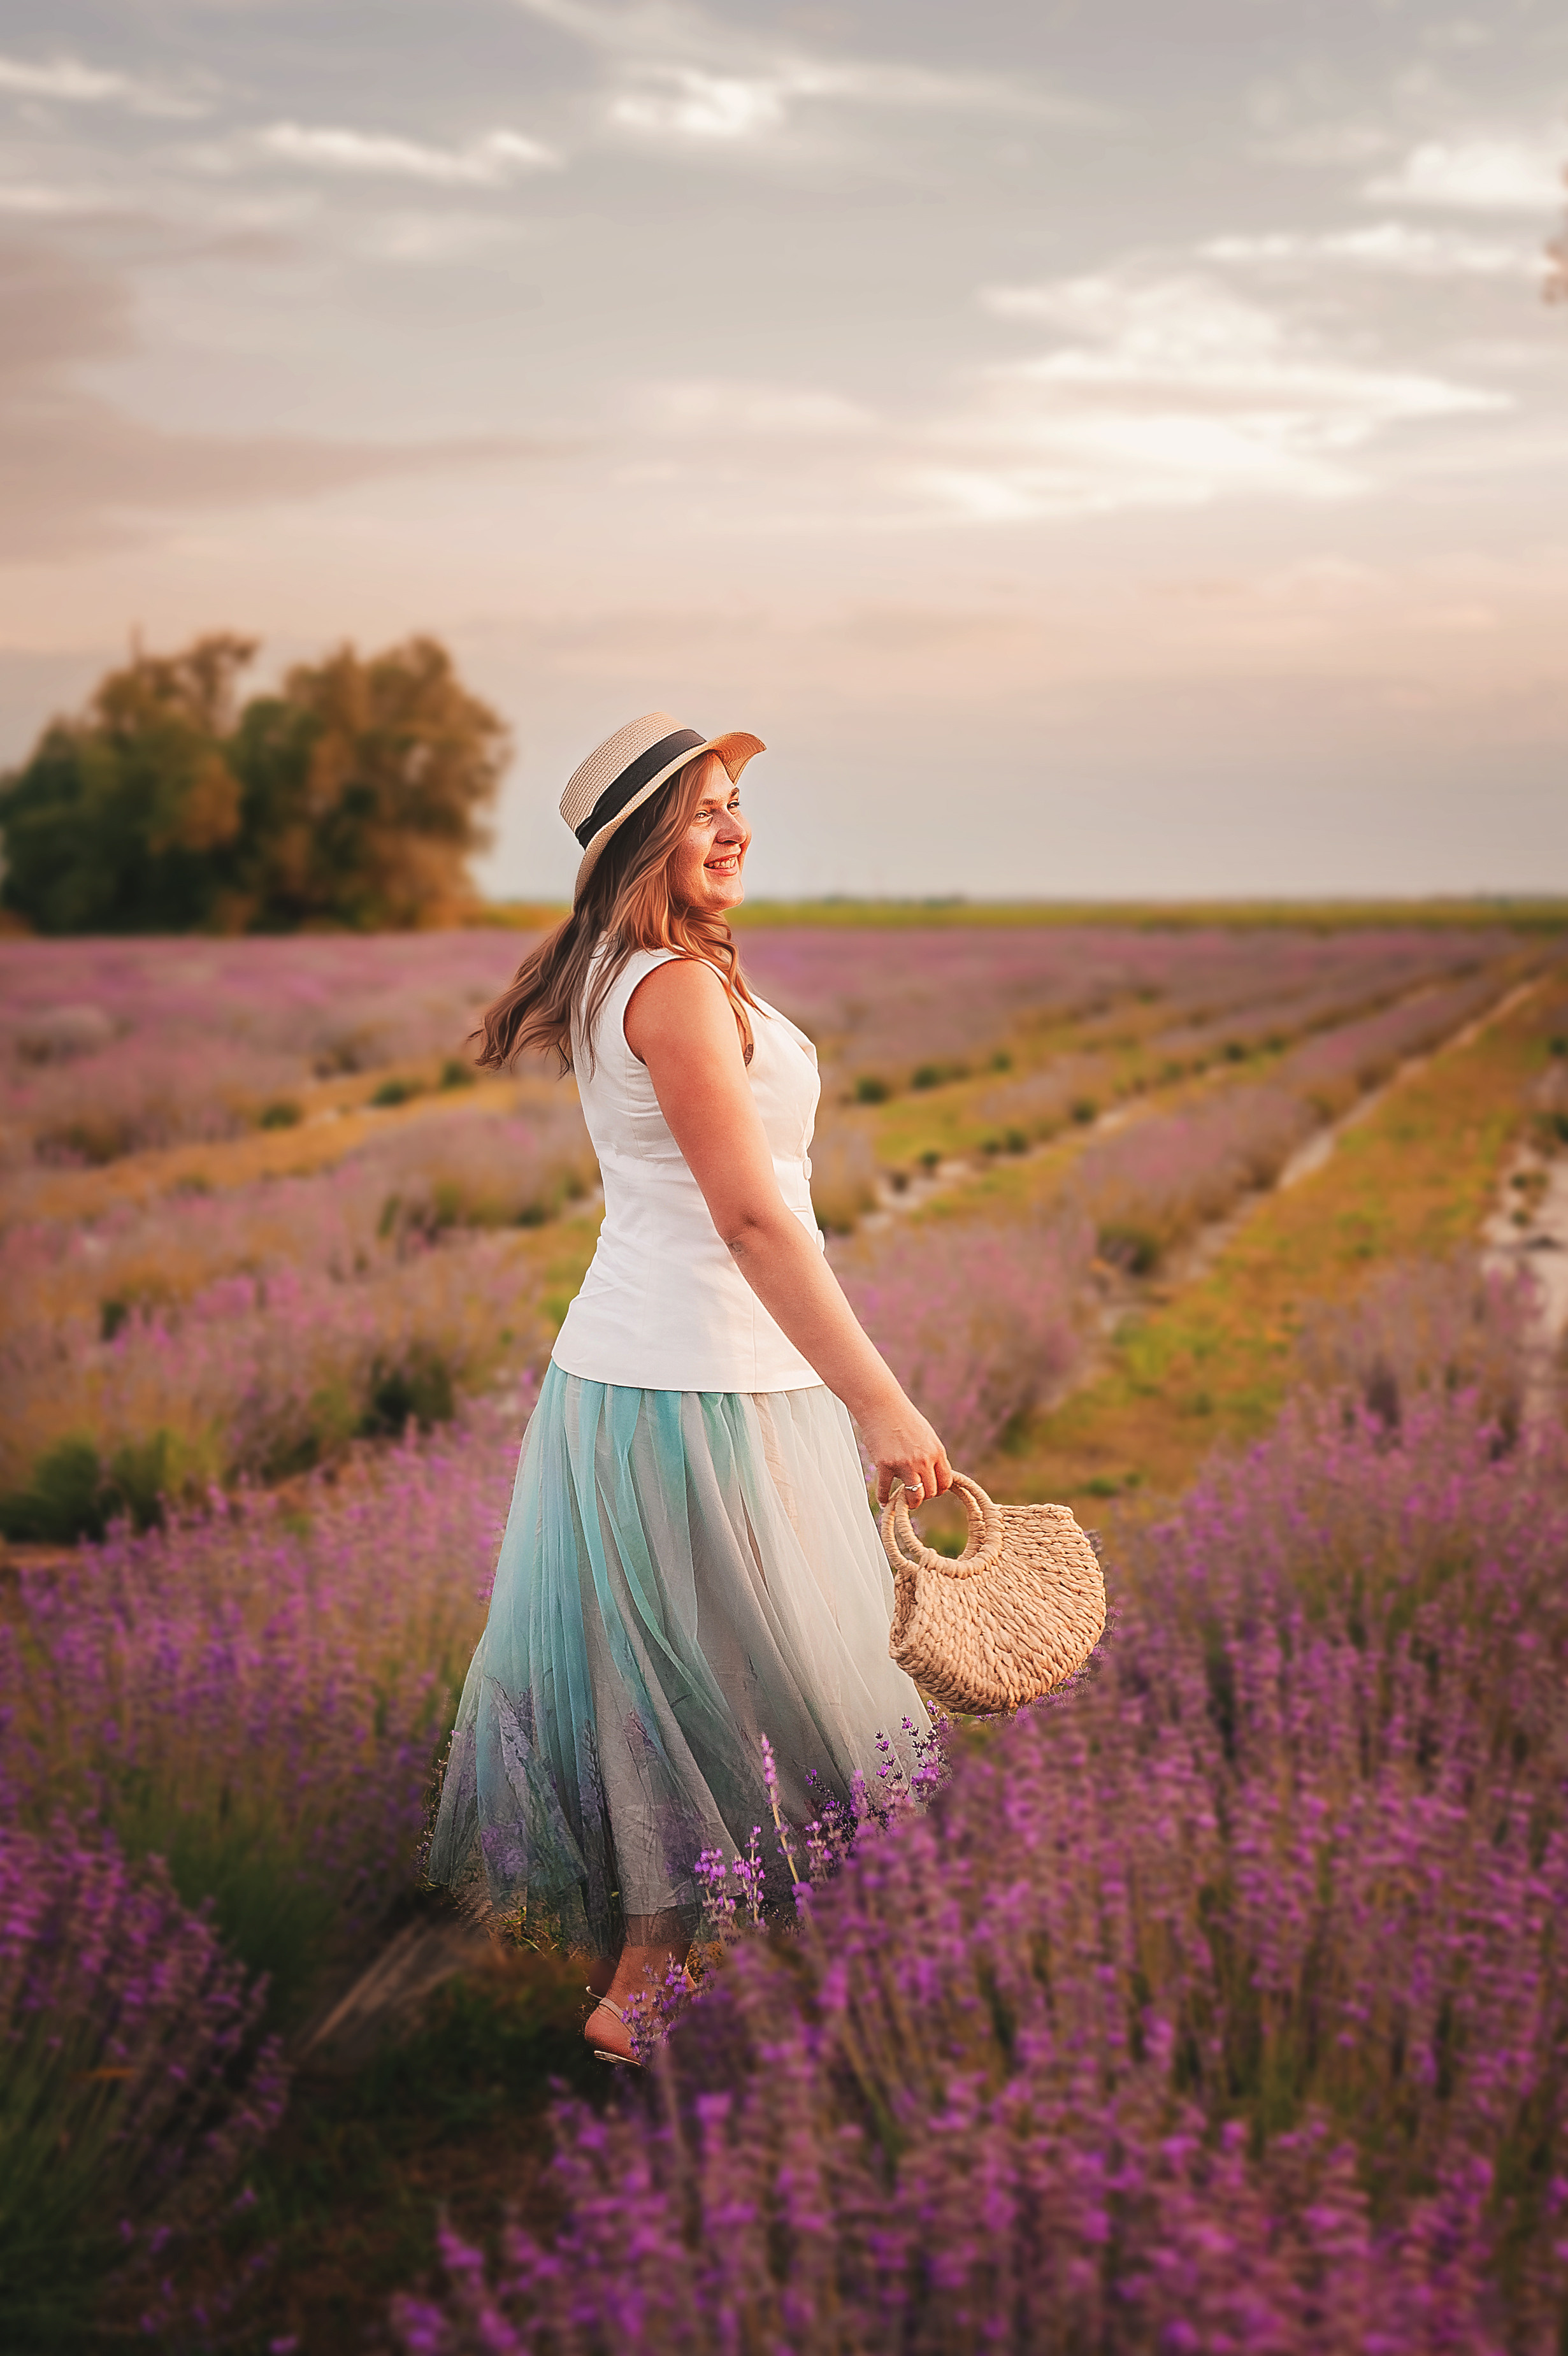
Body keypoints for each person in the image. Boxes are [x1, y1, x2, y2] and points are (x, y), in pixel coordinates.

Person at [426, 711, 951, 2064]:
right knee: (715, 1679)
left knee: (698, 1675)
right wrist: (883, 1401)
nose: (737, 828)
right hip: (694, 1381)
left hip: (690, 1367)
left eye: (737, 803)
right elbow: (755, 1219)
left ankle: (694, 1973)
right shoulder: (662, 983)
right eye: (704, 808)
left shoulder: (655, 970)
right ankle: (659, 1988)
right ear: (640, 839)